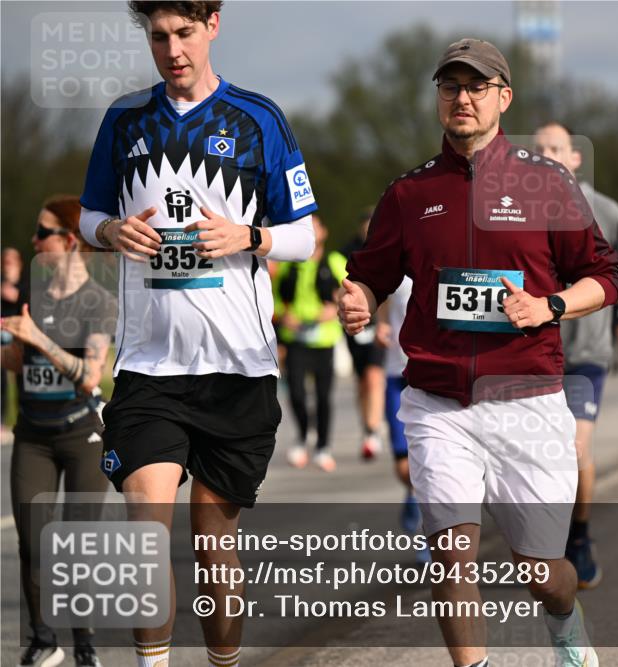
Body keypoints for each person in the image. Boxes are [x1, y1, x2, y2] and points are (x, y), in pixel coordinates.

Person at [339, 38, 618, 667]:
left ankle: (566, 624)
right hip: (438, 402)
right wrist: (356, 298)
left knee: (543, 573)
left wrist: (549, 306)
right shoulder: (409, 194)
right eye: (450, 87)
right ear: (438, 97)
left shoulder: (546, 182)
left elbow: (605, 276)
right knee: (451, 550)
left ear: (503, 97)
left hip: (529, 400)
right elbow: (371, 274)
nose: (461, 98)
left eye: (476, 87)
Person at [77, 2, 316, 665]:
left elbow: (305, 235)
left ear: (213, 23)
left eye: (184, 32)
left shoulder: (258, 118)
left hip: (237, 370)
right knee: (145, 535)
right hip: (151, 370)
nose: (172, 49)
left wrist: (250, 235)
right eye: (158, 36)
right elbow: (88, 214)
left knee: (214, 543)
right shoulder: (124, 121)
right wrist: (107, 230)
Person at [533, 121, 618, 588]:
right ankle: (543, 540)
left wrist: (597, 295)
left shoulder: (603, 209)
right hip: (531, 354)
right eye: (538, 150)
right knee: (534, 454)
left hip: (585, 352)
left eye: (556, 149)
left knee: (575, 447)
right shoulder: (514, 210)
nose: (546, 157)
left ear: (575, 157)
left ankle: (578, 536)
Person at [1, 196, 117, 667]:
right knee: (32, 542)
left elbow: (91, 375)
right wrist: (9, 343)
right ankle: (44, 639)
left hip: (81, 434)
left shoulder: (99, 301)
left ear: (69, 241)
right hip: (32, 434)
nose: (34, 239)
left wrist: (39, 339)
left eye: (43, 232)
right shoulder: (32, 294)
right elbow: (14, 362)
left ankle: (85, 646)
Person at [274, 216, 345, 472]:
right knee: (295, 392)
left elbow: (352, 292)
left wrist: (335, 308)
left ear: (324, 232)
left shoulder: (335, 261)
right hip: (295, 338)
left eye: (316, 227)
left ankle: (323, 446)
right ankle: (303, 436)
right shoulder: (288, 263)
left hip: (324, 338)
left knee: (324, 395)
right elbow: (272, 296)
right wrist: (283, 314)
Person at [374, 274, 430, 562]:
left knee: (432, 461)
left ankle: (428, 532)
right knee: (403, 466)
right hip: (397, 373)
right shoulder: (397, 250)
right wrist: (382, 321)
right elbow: (382, 291)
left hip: (431, 375)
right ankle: (415, 494)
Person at [340, 208, 387, 461]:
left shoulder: (391, 246)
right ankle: (367, 427)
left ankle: (373, 429)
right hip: (357, 324)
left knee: (374, 375)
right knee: (362, 380)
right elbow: (342, 286)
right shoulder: (346, 252)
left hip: (380, 323)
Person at [2, 247, 26, 430]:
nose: (7, 265)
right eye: (5, 262)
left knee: (22, 378)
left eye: (11, 261)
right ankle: (2, 421)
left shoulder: (24, 286)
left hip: (18, 335)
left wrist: (14, 294)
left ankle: (23, 417)